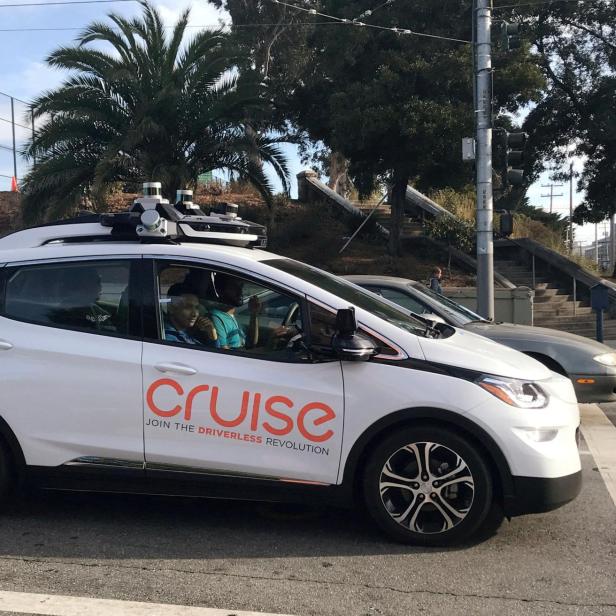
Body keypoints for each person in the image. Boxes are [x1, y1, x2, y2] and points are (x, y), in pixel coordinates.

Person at [209, 274, 260, 349]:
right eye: (234, 288)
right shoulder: (216, 318)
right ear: (220, 291)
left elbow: (251, 343)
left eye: (241, 286)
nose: (240, 291)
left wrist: (254, 314)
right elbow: (224, 354)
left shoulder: (232, 314)